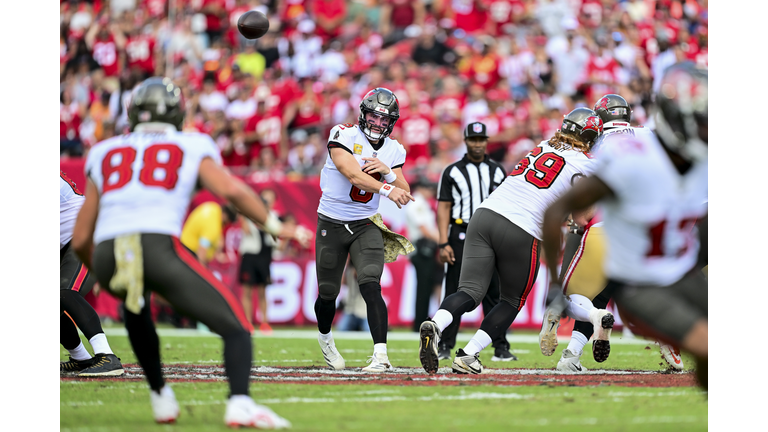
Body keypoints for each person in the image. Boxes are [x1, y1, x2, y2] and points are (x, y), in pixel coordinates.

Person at [72, 77, 311, 428]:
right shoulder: (192, 143)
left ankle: (161, 399)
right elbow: (232, 190)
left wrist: (105, 274)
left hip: (108, 250)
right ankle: (240, 404)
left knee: (134, 307)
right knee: (236, 326)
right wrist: (276, 227)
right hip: (156, 244)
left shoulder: (103, 150)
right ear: (177, 112)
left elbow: (80, 239)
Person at [540, 62, 708, 389]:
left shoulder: (611, 142)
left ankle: (574, 345)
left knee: (589, 294)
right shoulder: (639, 147)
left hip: (628, 245)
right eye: (702, 120)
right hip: (642, 273)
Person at [418, 108, 603, 374]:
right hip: (521, 227)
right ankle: (469, 354)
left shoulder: (542, 146)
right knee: (512, 300)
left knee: (469, 291)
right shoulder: (587, 163)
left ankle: (435, 325)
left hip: (484, 215)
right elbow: (582, 218)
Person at [314, 87, 415, 373]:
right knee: (328, 293)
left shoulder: (394, 149)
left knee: (371, 284)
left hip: (365, 223)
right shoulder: (343, 134)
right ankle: (326, 338)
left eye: (384, 120)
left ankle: (381, 356)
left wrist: (389, 171)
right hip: (331, 222)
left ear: (391, 123)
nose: (377, 124)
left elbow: (404, 191)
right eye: (373, 116)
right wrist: (386, 187)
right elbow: (352, 174)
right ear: (363, 114)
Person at [434, 122, 517, 363]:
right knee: (455, 290)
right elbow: (444, 208)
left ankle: (500, 346)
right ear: (466, 140)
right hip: (460, 232)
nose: (477, 144)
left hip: (491, 235)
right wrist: (442, 242)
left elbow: (506, 206)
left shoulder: (498, 171)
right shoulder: (452, 171)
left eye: (481, 140)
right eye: (473, 139)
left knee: (495, 292)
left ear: (487, 141)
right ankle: (445, 345)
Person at [60, 171, 124, 377]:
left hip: (87, 234)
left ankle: (107, 355)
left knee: (64, 291)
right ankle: (81, 358)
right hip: (70, 242)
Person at [404, 177, 443, 333]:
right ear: (420, 188)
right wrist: (444, 242)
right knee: (423, 288)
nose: (431, 192)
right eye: (428, 188)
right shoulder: (417, 204)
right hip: (422, 249)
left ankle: (422, 320)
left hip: (427, 249)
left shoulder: (423, 204)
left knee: (427, 287)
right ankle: (419, 322)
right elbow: (424, 229)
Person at [238, 189, 278, 333]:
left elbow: (276, 239)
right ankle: (247, 322)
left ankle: (264, 322)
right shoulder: (249, 215)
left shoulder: (273, 217)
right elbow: (246, 231)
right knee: (247, 290)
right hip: (250, 256)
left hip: (264, 256)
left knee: (262, 291)